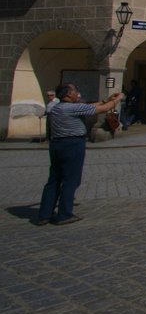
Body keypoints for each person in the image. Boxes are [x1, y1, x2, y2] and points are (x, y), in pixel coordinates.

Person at [35, 84, 123, 225]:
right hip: (72, 145)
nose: (78, 93)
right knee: (71, 180)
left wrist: (106, 99)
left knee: (54, 180)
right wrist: (118, 99)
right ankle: (64, 214)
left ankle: (44, 214)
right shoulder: (72, 108)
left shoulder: (56, 107)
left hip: (56, 145)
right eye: (75, 91)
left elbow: (90, 107)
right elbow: (103, 109)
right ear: (69, 95)